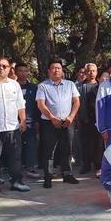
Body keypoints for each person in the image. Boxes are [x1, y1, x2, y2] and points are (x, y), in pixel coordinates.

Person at [36, 59, 80, 188]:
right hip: (49, 123)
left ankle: (67, 174)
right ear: (49, 71)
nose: (56, 70)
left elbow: (76, 102)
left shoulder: (70, 84)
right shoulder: (43, 86)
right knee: (49, 150)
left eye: (59, 68)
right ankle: (48, 177)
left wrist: (71, 117)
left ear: (62, 71)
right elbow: (41, 104)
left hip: (67, 122)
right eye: (53, 68)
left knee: (67, 149)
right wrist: (52, 118)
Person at [0, 57, 30, 196]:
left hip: (13, 128)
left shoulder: (14, 85)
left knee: (16, 157)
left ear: (9, 69)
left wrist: (23, 120)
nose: (1, 68)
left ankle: (16, 182)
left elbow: (20, 104)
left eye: (4, 66)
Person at [15, 62, 40, 179]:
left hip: (30, 122)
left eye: (25, 71)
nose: (23, 73)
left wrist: (37, 121)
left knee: (31, 145)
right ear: (16, 72)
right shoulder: (11, 86)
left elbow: (37, 105)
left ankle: (30, 168)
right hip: (13, 123)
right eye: (20, 71)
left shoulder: (34, 88)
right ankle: (15, 169)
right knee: (15, 146)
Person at [77, 63, 103, 175]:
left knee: (98, 144)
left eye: (93, 71)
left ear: (97, 72)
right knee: (85, 143)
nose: (91, 73)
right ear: (85, 72)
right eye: (89, 71)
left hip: (98, 120)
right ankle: (86, 165)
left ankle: (98, 166)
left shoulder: (101, 86)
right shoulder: (79, 86)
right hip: (84, 119)